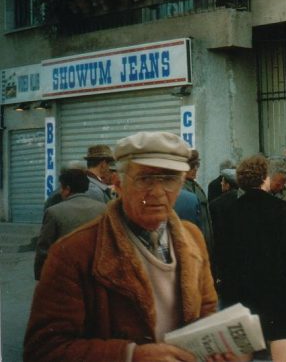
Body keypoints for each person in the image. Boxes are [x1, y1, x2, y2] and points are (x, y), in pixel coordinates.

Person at [24, 131, 235, 362]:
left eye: (169, 179)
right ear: (118, 184)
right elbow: (43, 350)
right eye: (145, 179)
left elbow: (205, 311)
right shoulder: (73, 252)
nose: (157, 192)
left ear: (182, 184)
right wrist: (131, 356)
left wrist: (221, 347)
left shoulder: (192, 238)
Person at [212, 155, 286, 362]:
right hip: (276, 281)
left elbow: (221, 248)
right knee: (279, 330)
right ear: (265, 178)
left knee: (244, 334)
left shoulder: (228, 209)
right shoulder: (280, 208)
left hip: (240, 282)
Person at [34, 168, 107, 280]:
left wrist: (41, 275)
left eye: (61, 188)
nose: (60, 192)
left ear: (67, 189)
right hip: (96, 275)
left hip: (66, 277)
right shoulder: (104, 209)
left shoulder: (54, 212)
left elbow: (44, 249)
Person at [183, 149, 214, 257]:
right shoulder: (183, 189)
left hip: (203, 245)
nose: (196, 169)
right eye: (193, 166)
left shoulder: (194, 186)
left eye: (197, 165)